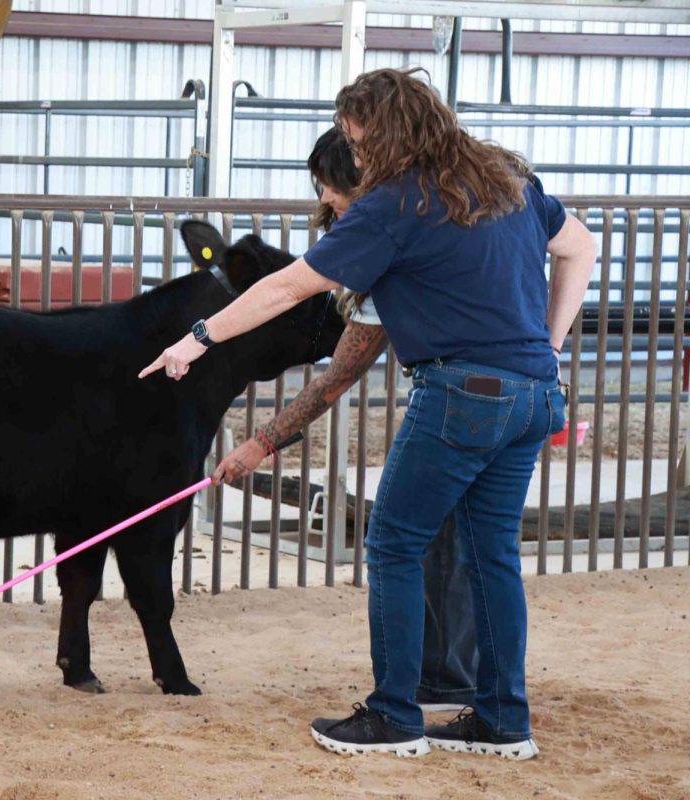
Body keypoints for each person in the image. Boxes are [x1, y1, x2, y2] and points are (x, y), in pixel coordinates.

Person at [141, 68, 597, 760]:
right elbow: (581, 246)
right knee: (491, 554)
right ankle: (504, 720)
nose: (352, 155)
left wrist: (198, 337)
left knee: (393, 544)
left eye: (355, 139)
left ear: (386, 133)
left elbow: (288, 288)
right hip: (534, 393)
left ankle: (393, 715)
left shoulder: (395, 203)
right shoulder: (506, 178)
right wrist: (551, 347)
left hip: (459, 393)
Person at [214, 126, 479, 713]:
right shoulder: (454, 207)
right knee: (472, 541)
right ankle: (477, 692)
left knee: (393, 541)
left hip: (455, 394)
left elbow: (337, 378)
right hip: (520, 385)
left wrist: (260, 441)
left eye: (330, 188)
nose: (325, 202)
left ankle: (411, 697)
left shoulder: (391, 240)